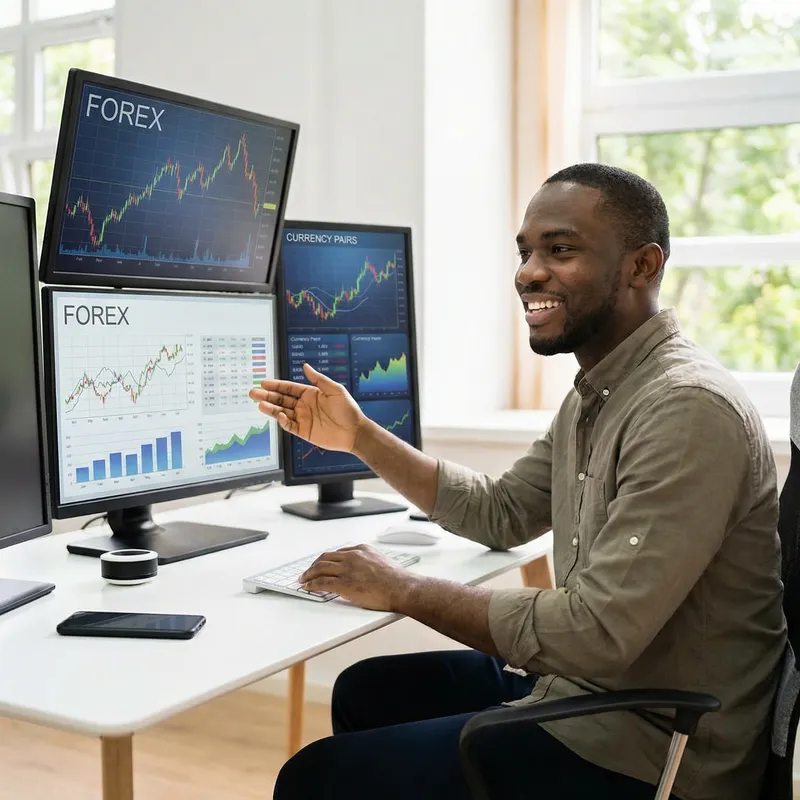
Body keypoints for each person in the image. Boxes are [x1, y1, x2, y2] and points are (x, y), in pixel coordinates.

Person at [252, 164, 786, 800]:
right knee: (366, 690)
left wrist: (404, 588)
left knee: (316, 780)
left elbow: (597, 634)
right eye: (526, 251)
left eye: (560, 250)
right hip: (595, 691)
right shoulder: (601, 392)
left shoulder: (686, 410)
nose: (529, 272)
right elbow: (501, 511)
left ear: (642, 266)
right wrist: (361, 436)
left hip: (652, 745)